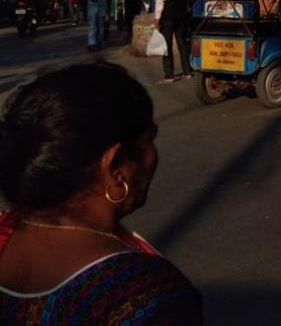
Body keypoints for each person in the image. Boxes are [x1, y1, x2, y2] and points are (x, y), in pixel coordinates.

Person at [0, 62, 203, 322]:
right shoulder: (143, 294)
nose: (153, 154)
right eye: (149, 140)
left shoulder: (7, 232)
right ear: (117, 166)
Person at [154, 0, 191, 83]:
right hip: (182, 16)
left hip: (168, 17)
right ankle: (188, 71)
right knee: (182, 44)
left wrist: (157, 17)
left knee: (166, 45)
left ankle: (169, 74)